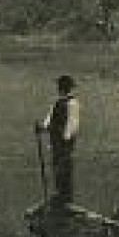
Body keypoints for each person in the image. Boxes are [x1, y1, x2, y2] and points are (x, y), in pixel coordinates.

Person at [36, 75, 80, 206]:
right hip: (57, 143)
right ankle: (60, 196)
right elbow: (49, 120)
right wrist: (42, 128)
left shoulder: (72, 104)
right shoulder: (57, 103)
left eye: (62, 87)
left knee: (64, 169)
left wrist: (63, 137)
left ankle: (66, 199)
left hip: (65, 144)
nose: (60, 89)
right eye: (60, 87)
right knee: (57, 168)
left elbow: (72, 125)